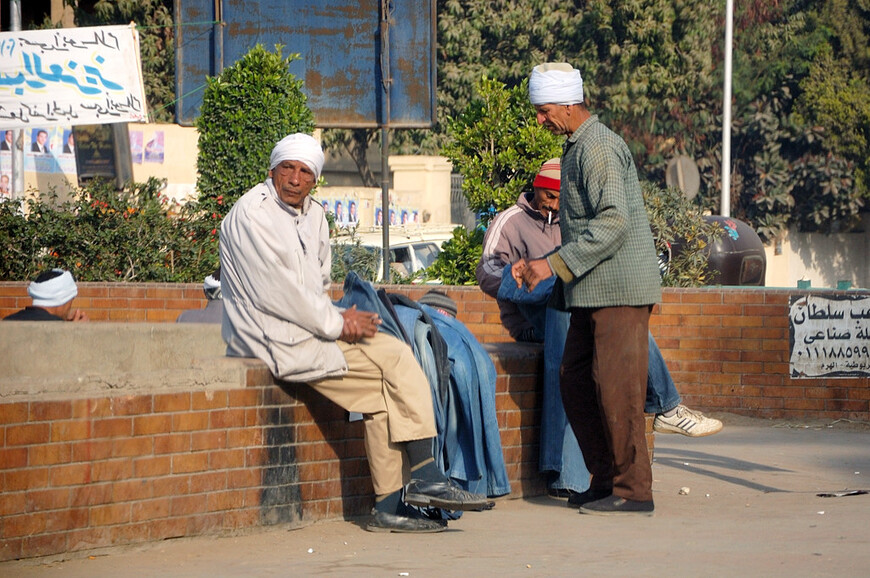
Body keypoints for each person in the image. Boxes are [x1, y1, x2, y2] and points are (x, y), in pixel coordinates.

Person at [219, 133, 492, 533]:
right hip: (268, 336)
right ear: (272, 171)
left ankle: (389, 504)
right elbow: (277, 290)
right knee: (394, 360)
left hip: (308, 328)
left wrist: (337, 320)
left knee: (387, 383)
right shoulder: (252, 214)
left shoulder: (313, 215)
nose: (295, 179)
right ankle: (426, 474)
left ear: (315, 179)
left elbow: (317, 284)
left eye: (305, 172)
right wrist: (336, 323)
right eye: (287, 169)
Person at [477, 158, 723, 503]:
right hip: (534, 318)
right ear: (535, 189)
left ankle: (661, 413)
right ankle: (666, 406)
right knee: (598, 311)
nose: (554, 205)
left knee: (620, 318)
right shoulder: (511, 222)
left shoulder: (575, 222)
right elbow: (486, 272)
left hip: (573, 309)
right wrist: (514, 274)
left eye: (560, 199)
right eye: (549, 196)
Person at [513, 62, 661, 516]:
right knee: (575, 382)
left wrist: (551, 264)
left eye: (544, 110)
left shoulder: (597, 147)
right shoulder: (578, 146)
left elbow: (613, 222)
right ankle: (604, 480)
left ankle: (633, 490)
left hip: (618, 290)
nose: (540, 120)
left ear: (568, 103)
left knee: (618, 390)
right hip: (591, 291)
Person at [3, 269, 89, 322]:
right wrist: (77, 332)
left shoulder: (8, 321)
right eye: (71, 300)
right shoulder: (58, 328)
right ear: (64, 300)